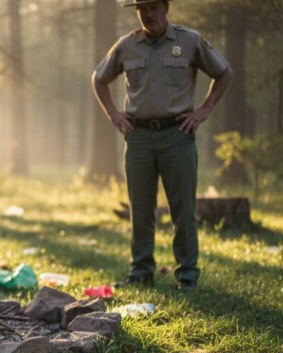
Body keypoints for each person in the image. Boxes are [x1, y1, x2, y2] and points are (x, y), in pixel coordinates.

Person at [92, 0, 232, 291]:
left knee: (183, 209)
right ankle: (141, 271)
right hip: (139, 137)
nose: (149, 14)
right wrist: (114, 114)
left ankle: (187, 274)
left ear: (165, 8)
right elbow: (99, 78)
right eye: (142, 9)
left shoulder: (189, 40)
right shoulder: (127, 45)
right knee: (140, 209)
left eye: (154, 7)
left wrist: (204, 110)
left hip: (177, 135)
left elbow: (224, 72)